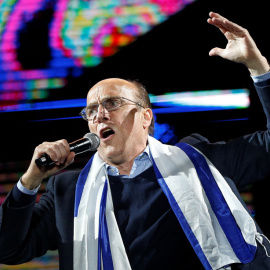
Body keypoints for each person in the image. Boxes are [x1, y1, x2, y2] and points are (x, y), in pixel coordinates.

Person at [1, 11, 270, 270]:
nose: (100, 115)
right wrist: (30, 180)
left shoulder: (199, 162)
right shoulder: (68, 192)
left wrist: (259, 68)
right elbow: (8, 249)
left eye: (112, 103)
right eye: (91, 110)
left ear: (145, 117)